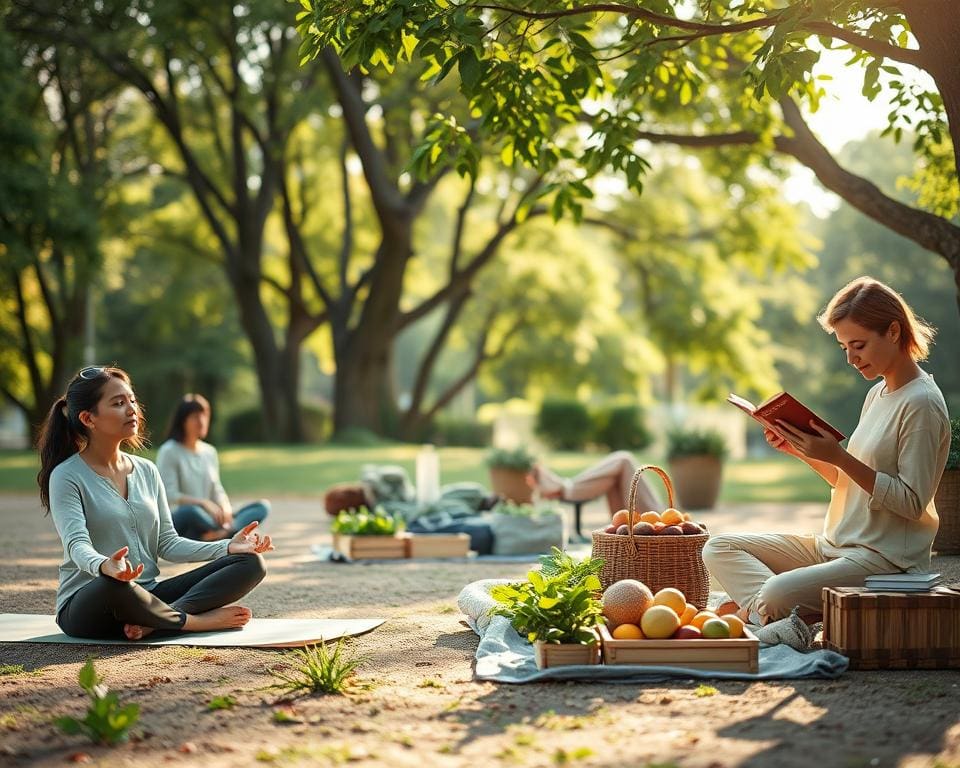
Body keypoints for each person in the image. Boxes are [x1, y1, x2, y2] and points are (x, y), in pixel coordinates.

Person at [702, 276, 950, 629]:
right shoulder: (877, 394)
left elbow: (912, 502)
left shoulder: (922, 404)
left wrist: (840, 456)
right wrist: (800, 449)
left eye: (858, 345)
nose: (850, 358)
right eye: (844, 347)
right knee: (719, 547)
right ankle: (775, 614)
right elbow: (845, 479)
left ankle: (762, 612)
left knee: (775, 593)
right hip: (833, 544)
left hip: (884, 560)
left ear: (893, 332)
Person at [38, 366, 274, 641]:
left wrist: (227, 546)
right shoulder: (66, 476)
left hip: (147, 595)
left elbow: (168, 543)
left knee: (251, 563)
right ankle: (192, 622)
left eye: (132, 401)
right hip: (93, 601)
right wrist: (105, 566)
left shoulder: (147, 470)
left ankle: (160, 620)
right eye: (118, 403)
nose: (131, 410)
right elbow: (76, 545)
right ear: (89, 418)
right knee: (116, 586)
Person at [157, 394, 270, 542]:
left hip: (211, 520)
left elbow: (216, 488)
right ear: (182, 421)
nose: (202, 421)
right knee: (191, 512)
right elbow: (168, 495)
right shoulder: (169, 451)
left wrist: (225, 507)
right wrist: (203, 503)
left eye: (205, 415)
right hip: (184, 519)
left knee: (262, 507)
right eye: (195, 417)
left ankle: (222, 534)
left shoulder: (209, 452)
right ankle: (232, 533)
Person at [528, 450, 661, 517]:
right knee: (622, 462)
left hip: (650, 519)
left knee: (624, 461)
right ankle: (565, 487)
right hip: (648, 517)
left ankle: (565, 487)